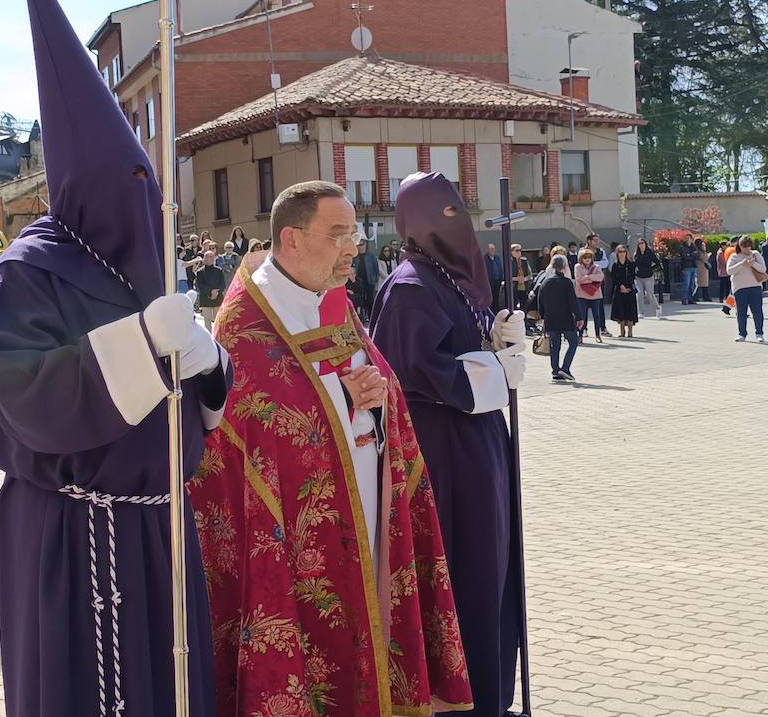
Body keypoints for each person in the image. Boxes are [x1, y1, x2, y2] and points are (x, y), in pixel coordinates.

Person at [0, 0, 235, 713]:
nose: (143, 207)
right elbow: (23, 391)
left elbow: (197, 397)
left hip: (159, 528)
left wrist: (208, 362)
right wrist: (140, 350)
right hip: (74, 533)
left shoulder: (144, 263)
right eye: (129, 188)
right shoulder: (29, 269)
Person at [190, 180, 473, 715]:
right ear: (292, 239)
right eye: (339, 234)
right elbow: (258, 425)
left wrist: (373, 398)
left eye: (356, 233)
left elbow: (374, 382)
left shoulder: (330, 300)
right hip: (292, 537)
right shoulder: (244, 322)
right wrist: (339, 400)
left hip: (364, 509)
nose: (354, 247)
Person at [369, 172, 526, 716]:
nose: (459, 221)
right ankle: (462, 699)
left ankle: (492, 692)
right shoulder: (410, 288)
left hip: (482, 445)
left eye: (461, 209)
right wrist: (494, 370)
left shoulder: (454, 277)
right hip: (445, 454)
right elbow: (414, 373)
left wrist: (498, 336)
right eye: (446, 213)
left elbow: (469, 344)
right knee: (465, 570)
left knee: (496, 566)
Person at [537, 254, 582, 381]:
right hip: (565, 318)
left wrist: (543, 316)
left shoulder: (545, 282)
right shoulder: (567, 282)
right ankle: (565, 368)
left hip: (550, 318)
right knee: (573, 342)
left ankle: (555, 371)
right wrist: (579, 317)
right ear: (564, 266)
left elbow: (540, 301)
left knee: (554, 346)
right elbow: (573, 301)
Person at [726, 236, 767, 342]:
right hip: (740, 288)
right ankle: (742, 333)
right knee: (741, 312)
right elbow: (729, 271)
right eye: (744, 247)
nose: (747, 249)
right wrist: (742, 264)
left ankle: (759, 333)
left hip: (755, 287)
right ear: (740, 246)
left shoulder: (756, 254)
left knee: (757, 311)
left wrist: (753, 263)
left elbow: (763, 269)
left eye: (749, 247)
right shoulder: (734, 256)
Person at [574, 248, 605, 343]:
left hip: (595, 295)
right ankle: (580, 335)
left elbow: (600, 277)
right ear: (581, 258)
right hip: (582, 295)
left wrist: (587, 277)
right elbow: (578, 279)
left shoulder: (596, 266)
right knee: (582, 316)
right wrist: (592, 279)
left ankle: (598, 335)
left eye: (589, 257)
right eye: (585, 257)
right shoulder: (577, 266)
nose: (587, 259)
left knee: (597, 315)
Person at [609, 244, 639, 338]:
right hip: (619, 290)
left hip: (629, 289)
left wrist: (628, 287)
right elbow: (614, 278)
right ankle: (622, 332)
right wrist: (621, 286)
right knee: (620, 310)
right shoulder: (615, 265)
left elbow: (633, 276)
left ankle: (630, 332)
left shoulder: (630, 264)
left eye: (624, 252)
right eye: (620, 252)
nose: (622, 254)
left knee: (630, 310)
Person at [193, 249, 225, 326]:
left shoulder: (219, 270)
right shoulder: (200, 272)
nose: (210, 258)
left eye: (212, 256)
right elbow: (200, 285)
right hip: (206, 299)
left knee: (218, 322)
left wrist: (216, 292)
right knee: (207, 322)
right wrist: (210, 292)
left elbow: (223, 284)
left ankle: (217, 338)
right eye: (208, 257)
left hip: (218, 299)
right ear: (204, 259)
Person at [350, 239, 379, 320]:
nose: (360, 246)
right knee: (360, 300)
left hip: (369, 281)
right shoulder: (354, 256)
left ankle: (371, 317)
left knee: (370, 300)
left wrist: (375, 279)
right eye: (359, 245)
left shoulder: (371, 255)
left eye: (362, 244)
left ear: (365, 245)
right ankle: (362, 317)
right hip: (358, 282)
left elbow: (376, 267)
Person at [718, 236, 740, 315]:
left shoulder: (727, 250)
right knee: (737, 292)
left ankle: (726, 307)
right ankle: (737, 309)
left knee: (733, 292)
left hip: (732, 272)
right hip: (736, 272)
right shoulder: (733, 250)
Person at [679, 233, 698, 304]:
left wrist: (690, 255)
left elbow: (697, 255)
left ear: (691, 239)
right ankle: (684, 298)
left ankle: (690, 298)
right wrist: (691, 255)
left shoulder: (693, 247)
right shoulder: (682, 247)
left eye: (688, 238)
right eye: (686, 238)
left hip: (693, 266)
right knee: (686, 283)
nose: (687, 239)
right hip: (686, 267)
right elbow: (685, 257)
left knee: (692, 284)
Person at [485, 242, 503, 311]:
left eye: (493, 249)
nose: (492, 250)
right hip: (489, 282)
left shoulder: (497, 258)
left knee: (496, 297)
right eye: (491, 249)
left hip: (497, 281)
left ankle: (496, 312)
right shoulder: (485, 259)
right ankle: (490, 312)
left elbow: (500, 269)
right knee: (490, 298)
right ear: (488, 250)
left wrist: (501, 279)